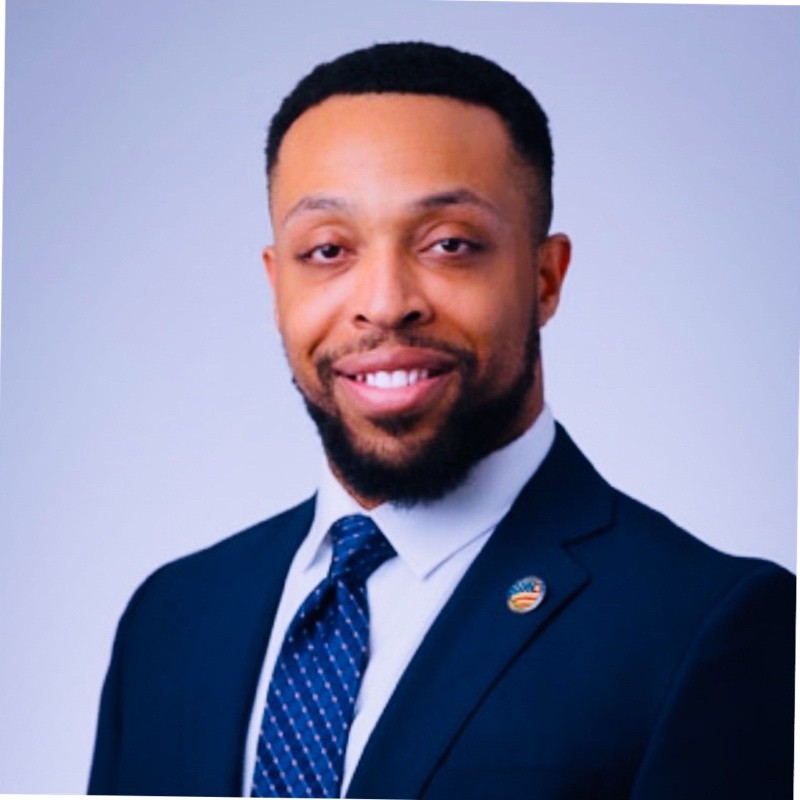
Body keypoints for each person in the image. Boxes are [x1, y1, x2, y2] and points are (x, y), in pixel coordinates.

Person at [87, 42, 794, 799]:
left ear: (545, 277)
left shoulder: (709, 627)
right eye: (327, 250)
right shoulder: (172, 618)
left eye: (450, 245)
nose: (385, 302)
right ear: (275, 283)